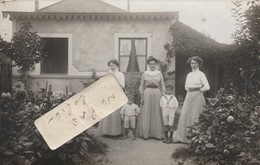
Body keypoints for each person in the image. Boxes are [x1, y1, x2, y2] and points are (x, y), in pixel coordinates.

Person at [173, 56, 210, 143]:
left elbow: (207, 87)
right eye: (192, 63)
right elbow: (186, 87)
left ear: (199, 64)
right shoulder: (189, 75)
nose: (193, 65)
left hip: (197, 96)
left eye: (195, 63)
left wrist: (199, 90)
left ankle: (196, 138)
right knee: (186, 114)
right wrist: (191, 90)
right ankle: (184, 137)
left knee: (195, 115)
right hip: (189, 95)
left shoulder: (201, 74)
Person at [136, 56, 165, 140]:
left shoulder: (159, 73)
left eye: (154, 64)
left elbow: (162, 85)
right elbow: (141, 86)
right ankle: (146, 134)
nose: (152, 65)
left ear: (156, 65)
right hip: (147, 93)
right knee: (147, 111)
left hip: (157, 93)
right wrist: (142, 95)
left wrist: (163, 94)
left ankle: (157, 133)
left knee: (156, 111)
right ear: (148, 65)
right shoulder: (145, 73)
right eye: (150, 64)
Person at [98, 59, 125, 138]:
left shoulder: (120, 74)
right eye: (110, 65)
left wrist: (114, 78)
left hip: (116, 94)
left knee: (115, 113)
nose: (112, 67)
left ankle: (115, 132)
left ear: (117, 66)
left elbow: (122, 86)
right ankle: (106, 131)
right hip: (108, 95)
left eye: (113, 65)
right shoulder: (107, 74)